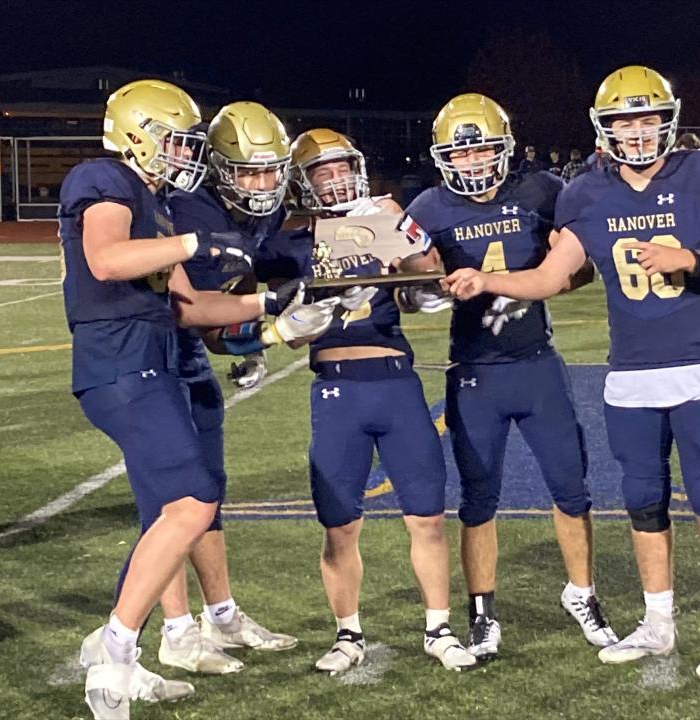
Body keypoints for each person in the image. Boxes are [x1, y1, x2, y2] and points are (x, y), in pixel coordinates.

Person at [443, 66, 700, 683]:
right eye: (625, 123)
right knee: (643, 503)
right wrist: (488, 281)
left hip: (699, 360)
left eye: (648, 120)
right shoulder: (587, 193)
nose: (638, 134)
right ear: (604, 131)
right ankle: (658, 623)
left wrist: (688, 260)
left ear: (669, 122)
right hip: (631, 370)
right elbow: (548, 278)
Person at [61, 80, 338, 719]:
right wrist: (195, 243)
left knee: (182, 504)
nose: (185, 153)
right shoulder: (101, 176)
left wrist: (280, 310)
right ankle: (113, 654)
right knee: (190, 502)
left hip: (154, 358)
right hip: (120, 360)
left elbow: (194, 308)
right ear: (138, 132)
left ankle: (125, 652)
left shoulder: (157, 204)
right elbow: (104, 259)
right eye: (177, 140)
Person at [403, 92, 616, 661]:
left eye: (483, 152)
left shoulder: (542, 190)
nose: (473, 164)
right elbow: (407, 290)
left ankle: (583, 594)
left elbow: (583, 271)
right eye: (462, 155)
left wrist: (541, 282)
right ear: (445, 157)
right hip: (475, 370)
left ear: (505, 148)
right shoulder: (427, 206)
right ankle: (481, 612)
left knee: (572, 489)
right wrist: (422, 286)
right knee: (478, 500)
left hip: (536, 362)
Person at [264, 128, 477, 674]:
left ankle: (439, 628)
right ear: (303, 183)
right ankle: (348, 633)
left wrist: (403, 236)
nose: (335, 180)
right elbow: (245, 285)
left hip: (396, 381)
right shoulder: (293, 239)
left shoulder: (384, 216)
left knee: (427, 517)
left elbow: (425, 269)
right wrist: (279, 320)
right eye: (321, 173)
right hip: (335, 387)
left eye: (341, 168)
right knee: (340, 525)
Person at [154, 102, 317, 677]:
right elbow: (187, 309)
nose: (263, 183)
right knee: (170, 500)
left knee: (208, 492)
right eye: (248, 172)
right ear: (219, 169)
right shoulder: (184, 207)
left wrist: (251, 345)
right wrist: (272, 319)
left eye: (271, 170)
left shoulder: (258, 216)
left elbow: (226, 313)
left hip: (191, 358)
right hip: (152, 360)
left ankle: (221, 614)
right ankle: (175, 631)